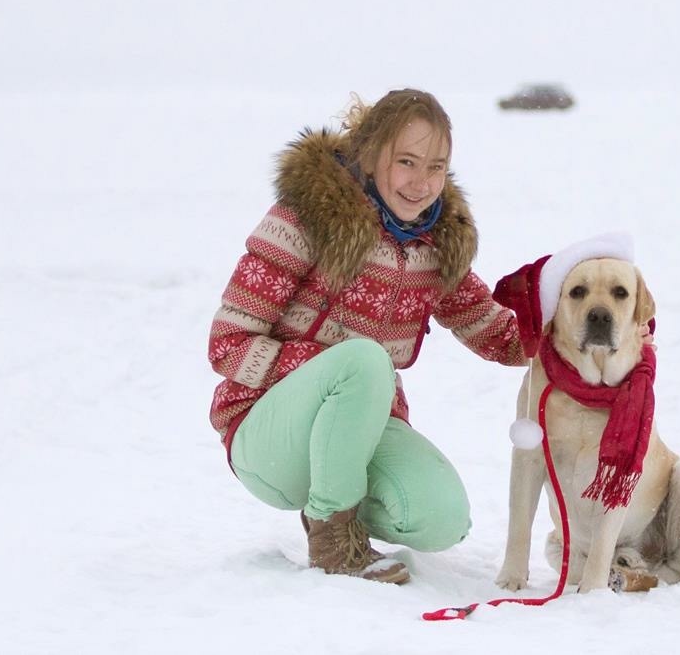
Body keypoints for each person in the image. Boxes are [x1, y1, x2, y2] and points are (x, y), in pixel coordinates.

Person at [207, 89, 527, 585]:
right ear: (371, 154)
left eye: (436, 166)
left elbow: (495, 331)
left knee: (442, 516)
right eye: (406, 161)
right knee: (365, 360)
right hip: (267, 433)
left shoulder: (435, 243)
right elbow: (227, 343)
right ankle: (332, 536)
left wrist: (586, 327)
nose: (422, 183)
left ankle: (340, 497)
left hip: (358, 430)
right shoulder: (306, 220)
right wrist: (330, 368)